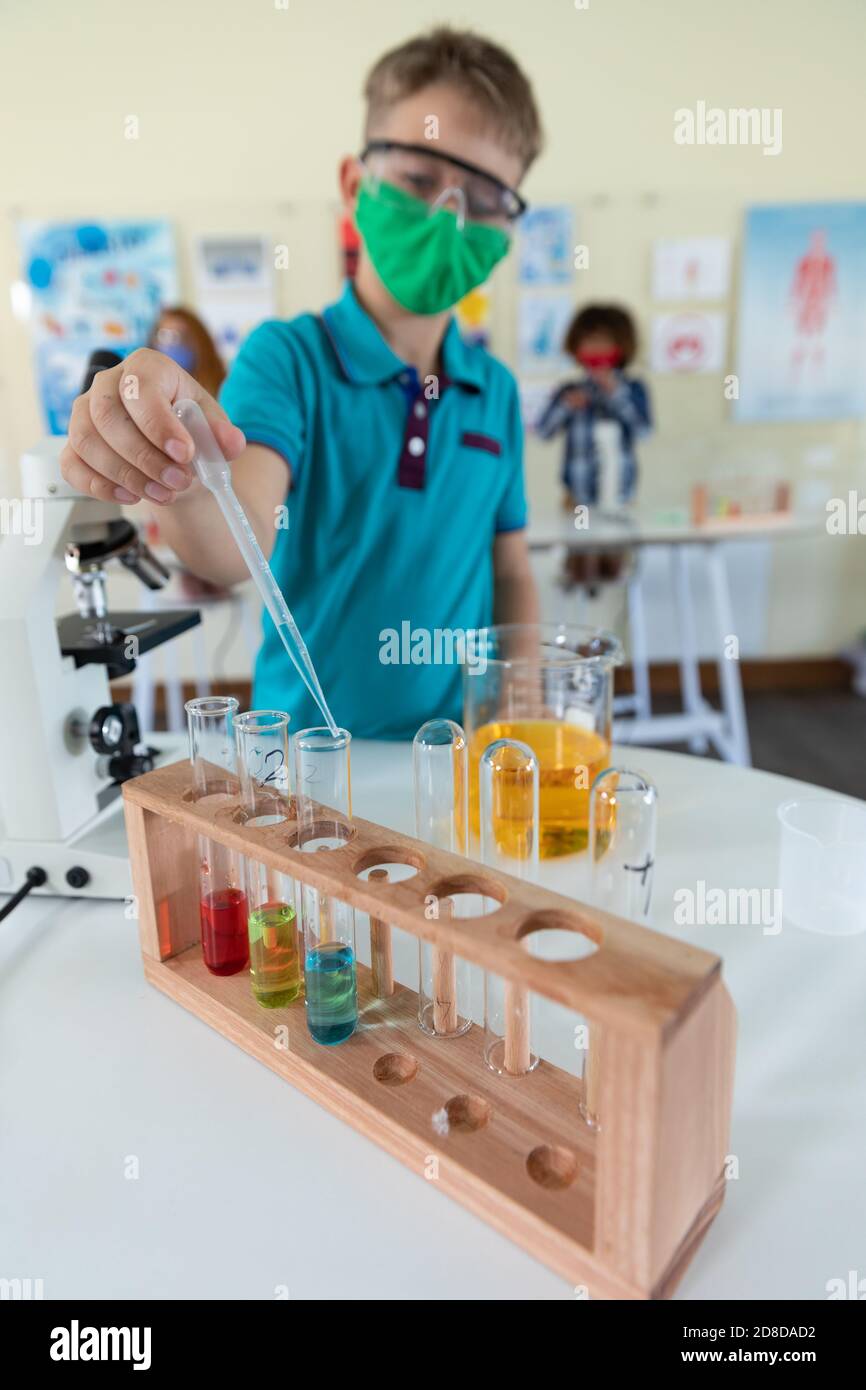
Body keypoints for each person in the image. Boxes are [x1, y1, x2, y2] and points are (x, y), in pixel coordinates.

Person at [60, 27, 541, 739]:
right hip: (307, 766)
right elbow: (236, 539)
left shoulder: (494, 390)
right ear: (355, 184)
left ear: (507, 226)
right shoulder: (288, 361)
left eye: (484, 195)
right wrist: (185, 465)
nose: (449, 215)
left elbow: (512, 567)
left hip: (453, 758)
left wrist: (521, 691)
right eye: (419, 179)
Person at [536, 303, 651, 586]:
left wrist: (616, 394)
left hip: (620, 502)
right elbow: (543, 431)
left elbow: (644, 430)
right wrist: (565, 406)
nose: (596, 348)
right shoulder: (568, 390)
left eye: (604, 342)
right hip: (577, 501)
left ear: (621, 346)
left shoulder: (634, 389)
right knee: (579, 573)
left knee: (617, 573)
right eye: (589, 341)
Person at [147, 306, 226, 398]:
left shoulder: (222, 390)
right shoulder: (149, 391)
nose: (173, 344)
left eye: (183, 337)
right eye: (164, 336)